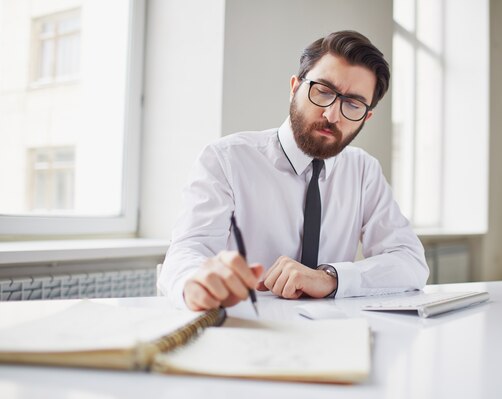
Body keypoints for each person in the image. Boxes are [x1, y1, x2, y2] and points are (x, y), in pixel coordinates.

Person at [159, 30, 429, 311]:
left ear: (366, 116)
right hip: (245, 329)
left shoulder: (364, 171)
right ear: (294, 87)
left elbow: (409, 261)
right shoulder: (226, 159)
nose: (332, 115)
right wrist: (196, 284)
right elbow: (187, 251)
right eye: (323, 91)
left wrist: (331, 278)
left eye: (352, 104)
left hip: (332, 335)